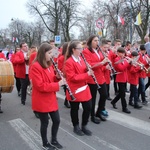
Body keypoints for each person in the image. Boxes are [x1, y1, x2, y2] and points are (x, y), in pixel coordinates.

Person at [30, 43, 65, 150]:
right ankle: (45, 143)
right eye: (49, 53)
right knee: (44, 122)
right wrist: (58, 84)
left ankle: (53, 139)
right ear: (42, 53)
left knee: (57, 120)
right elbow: (40, 86)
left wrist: (57, 77)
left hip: (50, 98)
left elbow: (50, 79)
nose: (51, 55)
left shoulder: (49, 64)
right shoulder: (35, 66)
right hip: (41, 99)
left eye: (51, 53)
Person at [64, 41, 93, 136]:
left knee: (88, 107)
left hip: (84, 87)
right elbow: (72, 77)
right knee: (74, 109)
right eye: (80, 48)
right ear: (73, 50)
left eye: (82, 48)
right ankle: (76, 126)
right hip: (75, 89)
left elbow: (83, 70)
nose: (82, 50)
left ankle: (84, 125)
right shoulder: (69, 62)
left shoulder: (81, 58)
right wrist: (87, 74)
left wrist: (88, 69)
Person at [82, 35, 109, 123]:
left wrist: (106, 63)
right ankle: (92, 115)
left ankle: (99, 112)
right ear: (90, 42)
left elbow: (102, 63)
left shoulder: (98, 51)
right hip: (92, 78)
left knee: (104, 95)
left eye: (98, 40)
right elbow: (89, 65)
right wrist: (101, 63)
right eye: (95, 40)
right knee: (93, 98)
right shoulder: (86, 51)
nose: (97, 42)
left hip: (101, 77)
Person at [111, 47, 131, 114]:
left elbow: (127, 68)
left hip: (124, 78)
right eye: (121, 53)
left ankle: (113, 101)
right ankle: (124, 108)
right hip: (120, 78)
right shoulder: (116, 59)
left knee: (121, 93)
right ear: (118, 53)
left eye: (123, 53)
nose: (123, 54)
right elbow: (121, 68)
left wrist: (131, 62)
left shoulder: (124, 59)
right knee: (123, 94)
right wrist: (127, 62)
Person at [57, 42, 70, 108]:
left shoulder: (70, 57)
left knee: (69, 90)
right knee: (67, 90)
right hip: (65, 76)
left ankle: (66, 101)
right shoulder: (62, 58)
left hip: (69, 76)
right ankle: (66, 101)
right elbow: (59, 68)